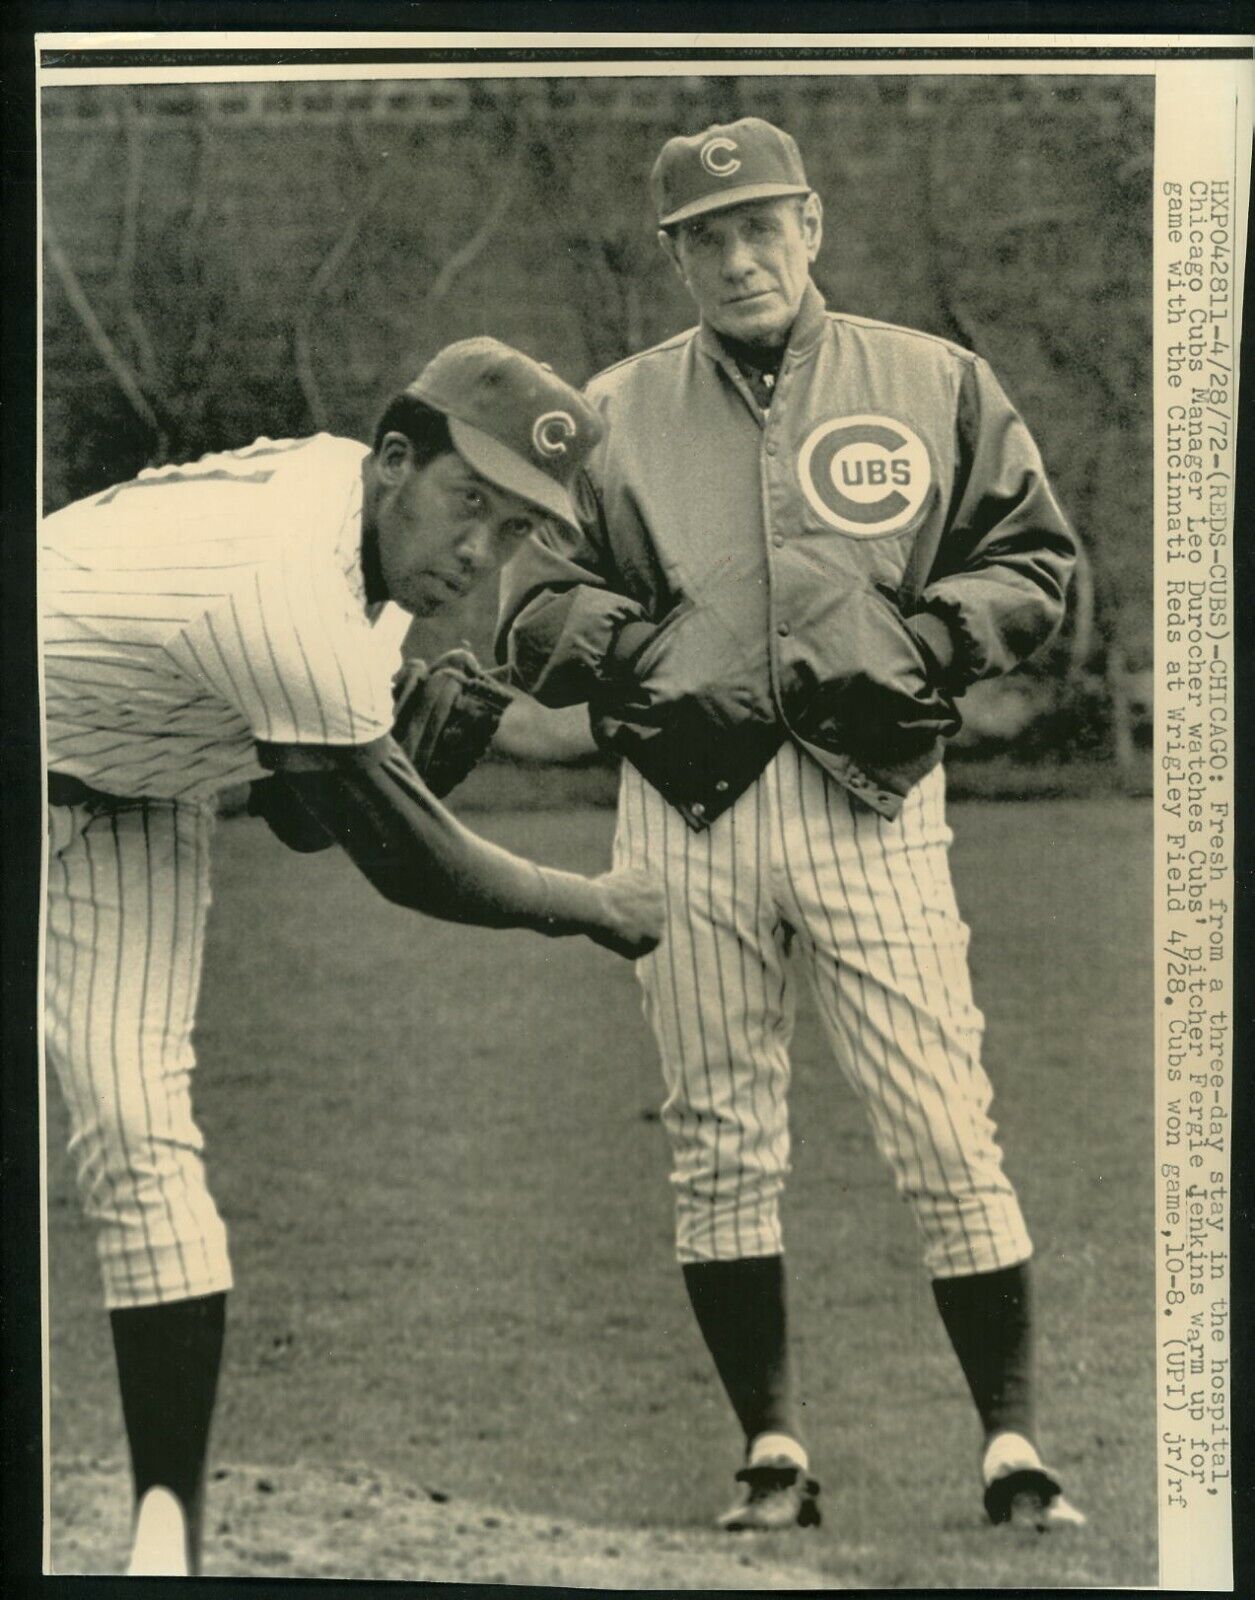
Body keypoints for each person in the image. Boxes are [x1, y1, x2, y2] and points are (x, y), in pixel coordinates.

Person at [499, 118, 1085, 1534]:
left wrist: (930, 637)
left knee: (942, 1123)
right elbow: (527, 606)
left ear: (809, 225)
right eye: (704, 236)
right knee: (716, 1134)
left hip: (868, 796)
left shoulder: (930, 380)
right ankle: (768, 1447)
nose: (736, 255)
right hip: (682, 813)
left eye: (759, 224)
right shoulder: (614, 408)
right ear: (675, 256)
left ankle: (1010, 1447)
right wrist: (638, 660)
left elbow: (1033, 561)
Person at [42, 337, 663, 1576]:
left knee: (137, 1130)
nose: (478, 550)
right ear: (394, 461)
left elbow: (296, 816)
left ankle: (165, 1533)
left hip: (129, 799)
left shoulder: (365, 550)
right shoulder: (279, 576)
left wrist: (388, 769)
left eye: (516, 526)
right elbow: (411, 866)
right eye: (467, 501)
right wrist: (591, 902)